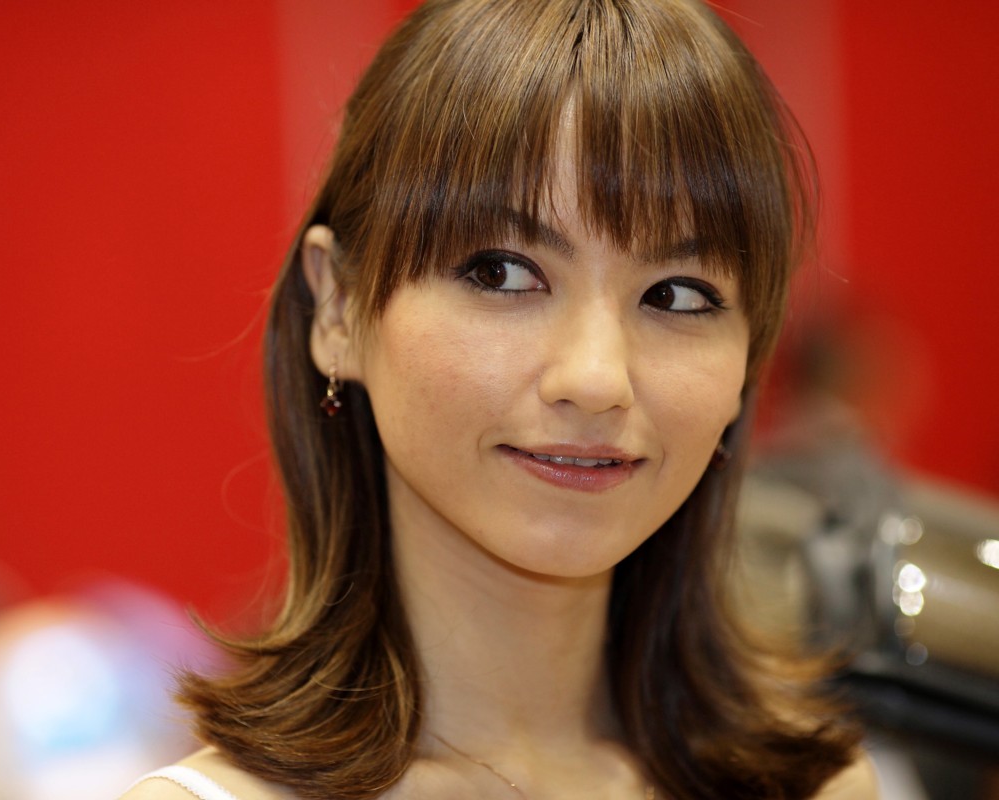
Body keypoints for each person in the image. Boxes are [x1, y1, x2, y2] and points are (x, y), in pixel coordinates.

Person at [124, 0, 878, 797]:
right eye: (502, 273)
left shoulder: (817, 789)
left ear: (748, 362)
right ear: (339, 309)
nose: (596, 379)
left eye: (676, 294)